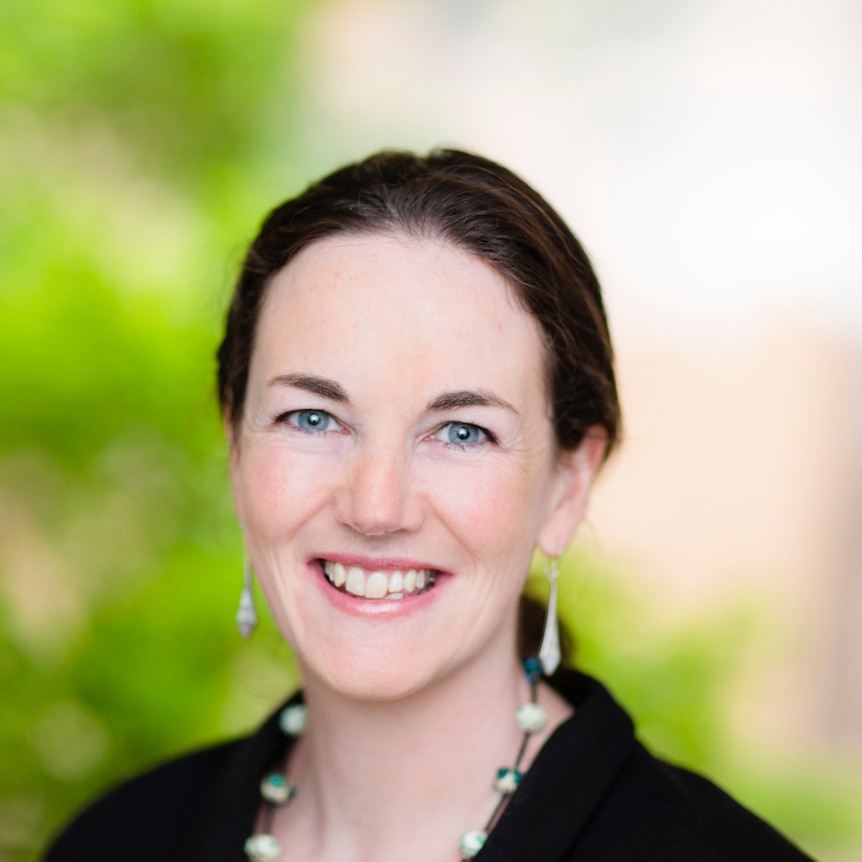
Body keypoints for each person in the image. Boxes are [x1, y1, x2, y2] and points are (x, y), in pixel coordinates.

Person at [44, 149, 814, 862]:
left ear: (567, 484)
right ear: (236, 448)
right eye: (312, 418)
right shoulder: (117, 841)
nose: (376, 506)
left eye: (461, 431)